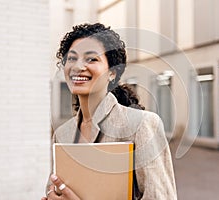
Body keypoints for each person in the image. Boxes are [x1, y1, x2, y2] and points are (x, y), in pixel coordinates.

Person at [41, 23, 177, 200]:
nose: (78, 66)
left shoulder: (141, 124)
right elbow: (56, 190)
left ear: (112, 72)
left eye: (91, 59)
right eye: (72, 58)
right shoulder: (62, 134)